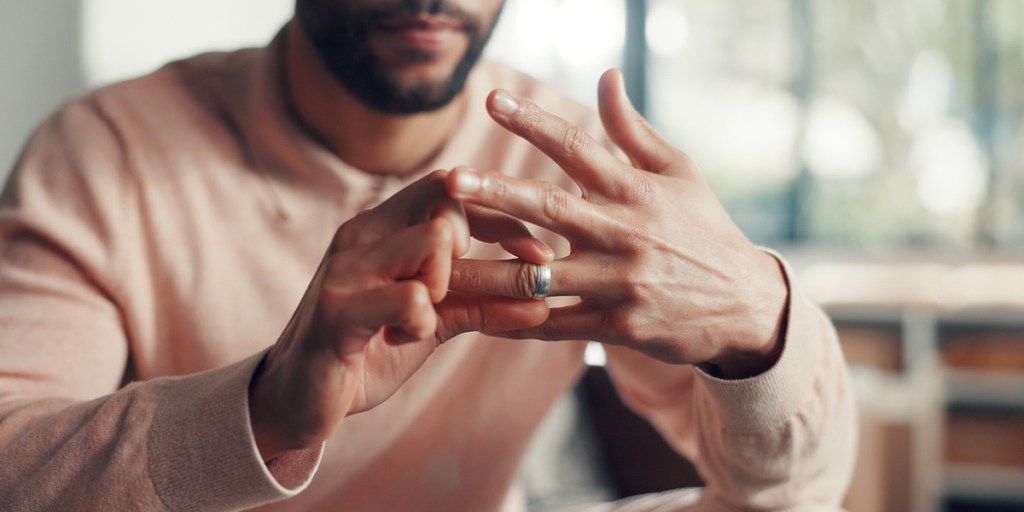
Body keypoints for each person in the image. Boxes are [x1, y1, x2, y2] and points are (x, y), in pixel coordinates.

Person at [0, 0, 857, 510]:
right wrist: (261, 414)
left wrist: (760, 323)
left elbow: (796, 494)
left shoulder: (575, 168)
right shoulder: (103, 152)